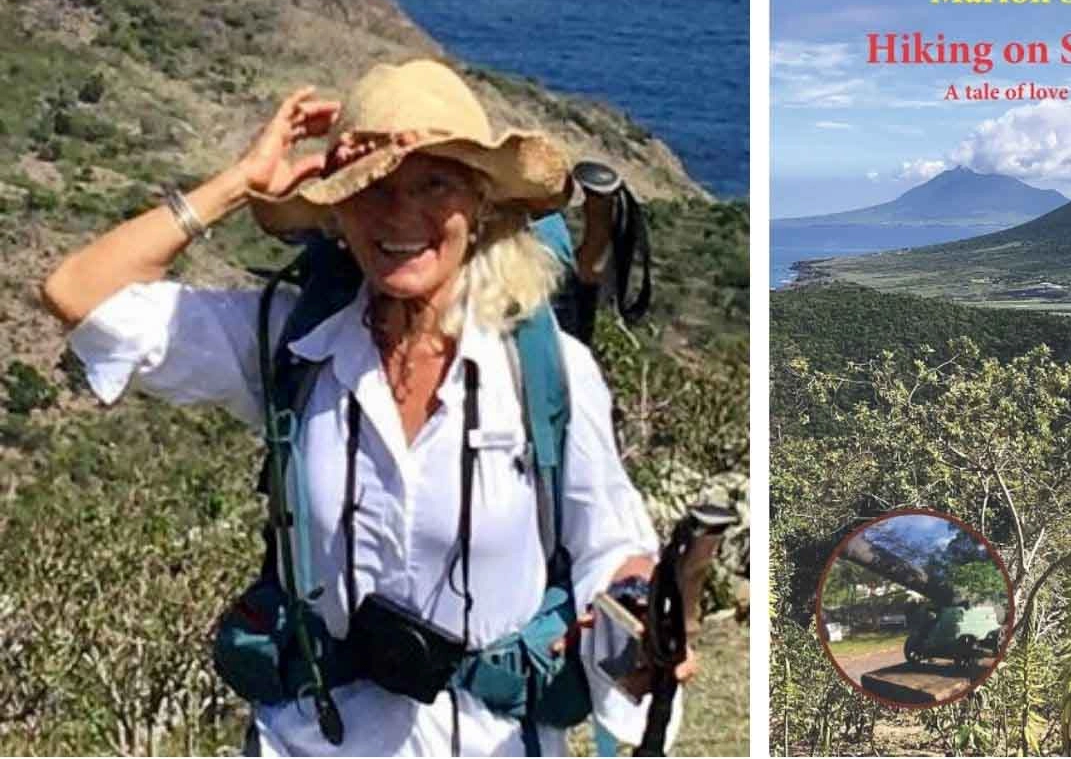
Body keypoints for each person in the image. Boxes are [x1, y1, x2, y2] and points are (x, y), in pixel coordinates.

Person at [40, 59, 692, 755]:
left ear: (480, 206)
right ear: (337, 212)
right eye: (369, 188)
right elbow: (78, 294)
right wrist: (236, 185)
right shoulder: (291, 345)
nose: (399, 215)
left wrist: (635, 611)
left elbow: (609, 543)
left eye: (434, 185)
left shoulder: (546, 371)